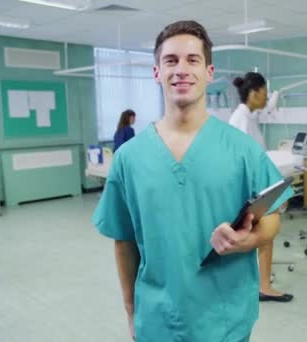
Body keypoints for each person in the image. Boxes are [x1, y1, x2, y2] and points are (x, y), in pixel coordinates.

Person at [92, 20, 293, 341]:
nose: (181, 69)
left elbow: (272, 216)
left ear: (209, 72)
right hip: (158, 319)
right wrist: (131, 311)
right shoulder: (129, 158)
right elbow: (123, 241)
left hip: (226, 319)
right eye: (170, 60)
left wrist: (250, 240)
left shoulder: (242, 149)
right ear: (156, 72)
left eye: (192, 60)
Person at [229, 72, 294, 303]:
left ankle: (263, 284)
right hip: (248, 190)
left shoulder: (248, 117)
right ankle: (263, 286)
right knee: (264, 234)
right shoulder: (240, 120)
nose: (266, 100)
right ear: (254, 93)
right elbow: (237, 160)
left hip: (256, 186)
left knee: (265, 235)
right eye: (264, 95)